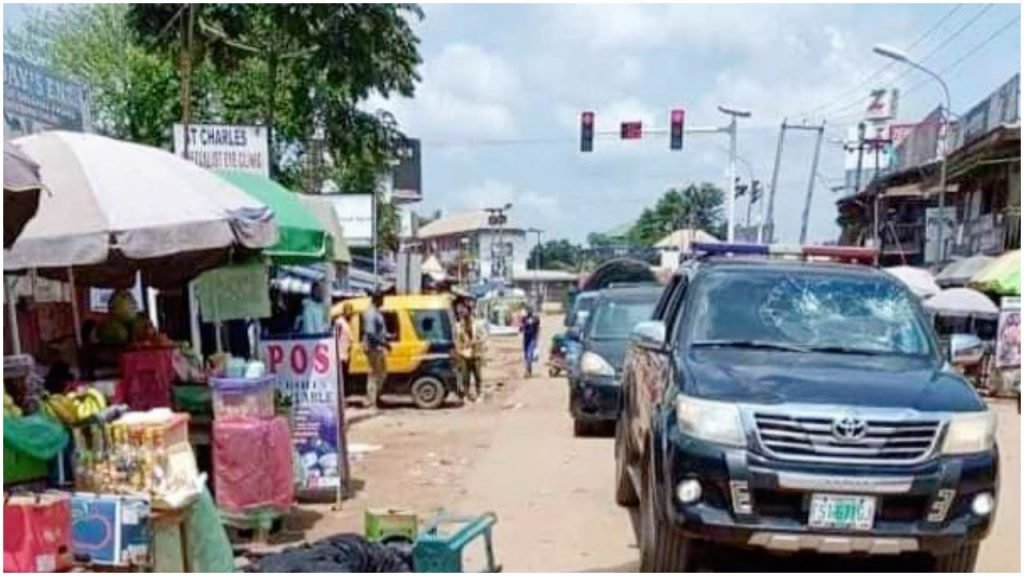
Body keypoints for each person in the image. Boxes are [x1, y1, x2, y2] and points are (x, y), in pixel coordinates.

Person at [361, 290, 391, 409]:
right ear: (376, 299)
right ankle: (371, 402)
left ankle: (375, 397)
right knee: (374, 374)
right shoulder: (370, 313)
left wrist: (387, 337)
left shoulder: (377, 312)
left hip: (378, 346)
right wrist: (384, 343)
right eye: (381, 299)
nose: (383, 301)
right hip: (373, 347)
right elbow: (370, 334)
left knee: (382, 373)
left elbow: (379, 331)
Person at [455, 313, 483, 401]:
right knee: (465, 376)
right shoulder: (458, 328)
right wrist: (462, 346)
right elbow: (456, 342)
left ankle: (478, 393)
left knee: (478, 375)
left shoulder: (476, 327)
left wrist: (476, 342)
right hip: (464, 355)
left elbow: (484, 338)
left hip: (476, 354)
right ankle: (466, 394)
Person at [334, 303, 354, 379]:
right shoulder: (340, 322)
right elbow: (336, 337)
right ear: (344, 312)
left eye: (351, 311)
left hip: (345, 355)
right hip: (340, 356)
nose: (350, 313)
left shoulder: (347, 324)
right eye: (348, 311)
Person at [520, 306, 541, 377]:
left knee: (529, 355)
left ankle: (527, 371)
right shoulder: (524, 319)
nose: (528, 312)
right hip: (526, 339)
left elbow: (538, 328)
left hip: (532, 338)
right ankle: (529, 370)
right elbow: (521, 328)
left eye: (529, 311)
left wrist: (536, 339)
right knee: (526, 356)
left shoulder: (535, 319)